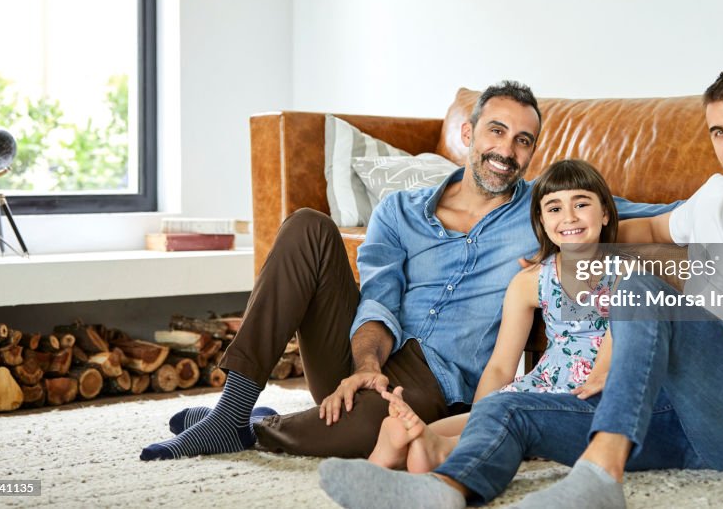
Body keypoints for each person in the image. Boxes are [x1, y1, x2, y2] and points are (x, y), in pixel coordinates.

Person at [318, 67, 723, 509]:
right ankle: (443, 489)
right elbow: (643, 227)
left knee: (642, 287)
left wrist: (662, 311)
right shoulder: (714, 198)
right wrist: (566, 248)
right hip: (676, 416)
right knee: (511, 408)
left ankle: (602, 475)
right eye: (719, 131)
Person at [140, 81, 675, 461]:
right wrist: (367, 364)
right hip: (362, 354)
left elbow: (655, 217)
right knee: (305, 225)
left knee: (371, 433)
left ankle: (253, 429)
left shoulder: (549, 208)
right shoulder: (400, 210)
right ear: (469, 133)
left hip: (435, 380)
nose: (506, 151)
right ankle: (234, 409)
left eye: (523, 141)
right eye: (496, 131)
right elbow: (378, 296)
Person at [367, 159, 623, 472]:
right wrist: (481, 414)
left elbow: (618, 343)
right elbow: (501, 365)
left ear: (606, 212)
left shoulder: (626, 273)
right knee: (496, 409)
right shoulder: (531, 280)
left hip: (589, 392)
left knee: (515, 421)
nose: (569, 217)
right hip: (545, 383)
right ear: (541, 221)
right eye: (554, 208)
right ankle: (411, 437)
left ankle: (442, 449)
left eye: (581, 204)